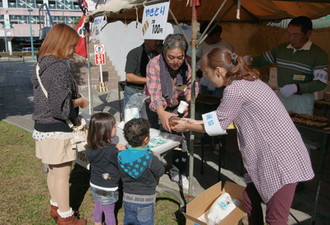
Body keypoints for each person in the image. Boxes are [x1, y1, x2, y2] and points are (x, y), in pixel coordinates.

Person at [173, 47, 315, 225]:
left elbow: (218, 123)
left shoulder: (235, 89)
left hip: (280, 160)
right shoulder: (251, 81)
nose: (205, 77)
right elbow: (221, 119)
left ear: (218, 71)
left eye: (206, 72)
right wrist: (189, 124)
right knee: (249, 199)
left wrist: (187, 124)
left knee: (275, 219)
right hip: (279, 154)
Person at [31, 24, 89, 225]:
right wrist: (80, 102)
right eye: (72, 46)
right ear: (62, 43)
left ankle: (56, 206)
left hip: (43, 127)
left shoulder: (42, 64)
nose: (73, 51)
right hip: (56, 128)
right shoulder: (57, 68)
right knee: (63, 175)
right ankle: (66, 217)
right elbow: (61, 108)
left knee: (54, 172)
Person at [143, 33, 198, 187]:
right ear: (164, 53)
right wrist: (162, 113)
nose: (175, 61)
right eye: (171, 57)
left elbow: (190, 85)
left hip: (175, 104)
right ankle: (150, 171)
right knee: (151, 139)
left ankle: (178, 172)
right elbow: (155, 93)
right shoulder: (154, 64)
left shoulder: (187, 65)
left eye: (179, 57)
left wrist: (188, 101)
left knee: (180, 139)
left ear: (184, 55)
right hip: (154, 106)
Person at [248, 16, 328, 115]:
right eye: (289, 34)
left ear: (308, 33)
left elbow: (320, 83)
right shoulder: (281, 49)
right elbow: (260, 61)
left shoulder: (318, 54)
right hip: (282, 98)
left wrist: (297, 87)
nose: (291, 39)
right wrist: (248, 60)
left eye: (295, 35)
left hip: (302, 101)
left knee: (300, 128)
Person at [118, 118, 165, 225]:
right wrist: (156, 157)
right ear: (146, 139)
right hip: (146, 200)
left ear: (126, 137)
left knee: (129, 222)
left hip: (128, 198)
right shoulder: (150, 158)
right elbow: (160, 172)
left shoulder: (120, 155)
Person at [86, 112, 121, 225]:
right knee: (109, 212)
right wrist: (120, 151)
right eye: (114, 126)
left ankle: (97, 223)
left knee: (98, 205)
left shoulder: (90, 147)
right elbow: (119, 164)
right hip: (109, 186)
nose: (116, 128)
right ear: (106, 130)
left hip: (95, 183)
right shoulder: (111, 151)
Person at [197, 21, 234, 97]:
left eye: (209, 37)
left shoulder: (226, 47)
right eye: (204, 37)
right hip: (205, 82)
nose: (206, 40)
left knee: (217, 103)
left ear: (217, 34)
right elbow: (196, 58)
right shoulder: (204, 44)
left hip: (220, 84)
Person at [124, 39, 162, 108]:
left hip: (149, 91)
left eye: (160, 41)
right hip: (134, 91)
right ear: (146, 40)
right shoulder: (134, 53)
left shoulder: (156, 54)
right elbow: (129, 77)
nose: (158, 43)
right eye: (155, 41)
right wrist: (151, 80)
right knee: (132, 116)